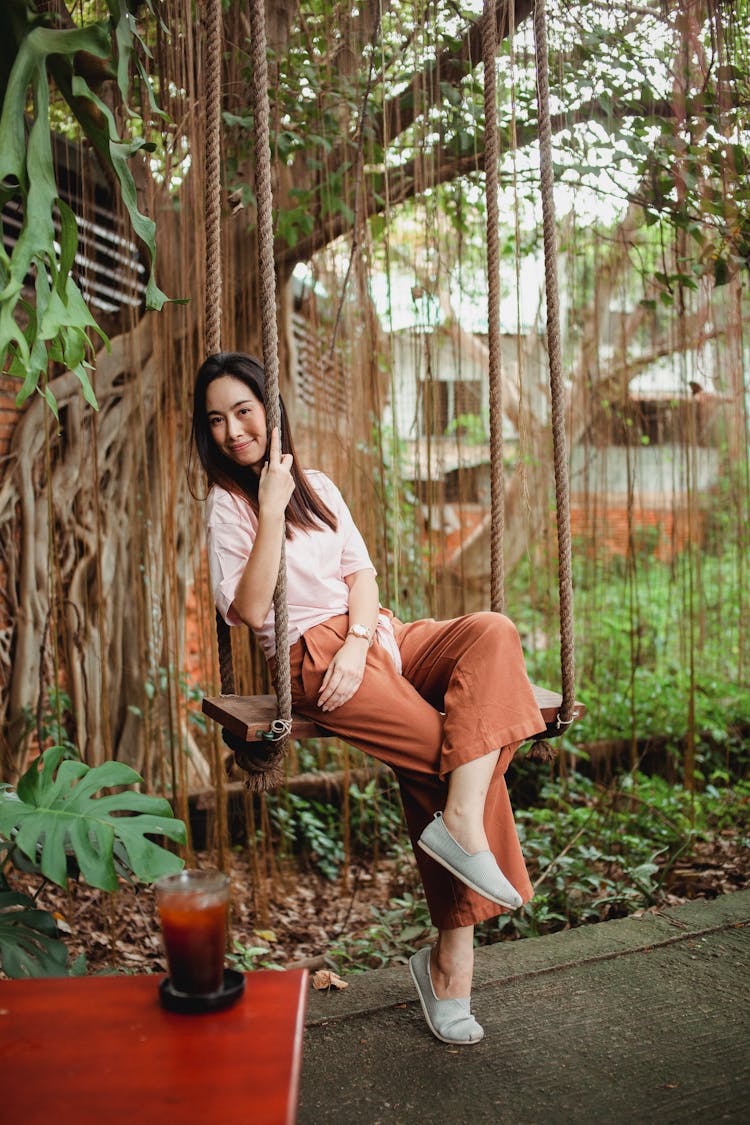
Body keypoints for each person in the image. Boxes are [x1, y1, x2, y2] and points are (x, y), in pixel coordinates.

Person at [191, 351, 547, 1045]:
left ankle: (462, 828)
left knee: (493, 634)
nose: (234, 430)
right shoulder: (228, 507)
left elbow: (363, 575)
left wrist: (361, 640)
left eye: (243, 410)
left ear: (269, 407)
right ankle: (452, 964)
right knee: (452, 753)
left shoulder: (317, 484)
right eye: (217, 420)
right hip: (310, 656)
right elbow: (251, 606)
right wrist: (267, 509)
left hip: (373, 637)